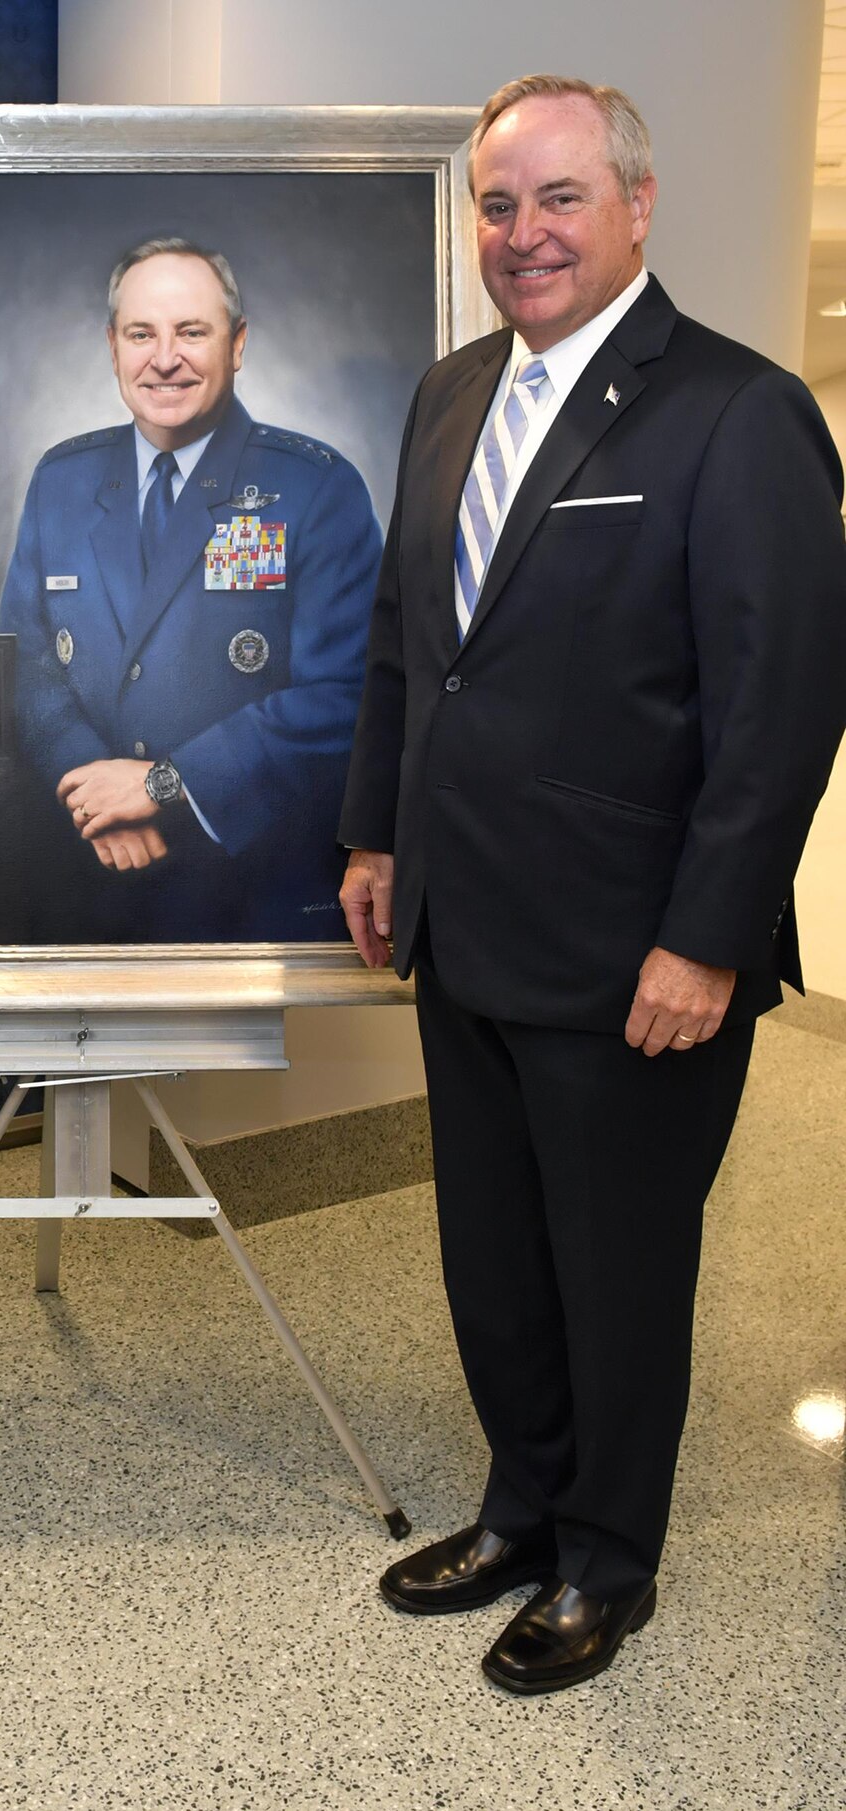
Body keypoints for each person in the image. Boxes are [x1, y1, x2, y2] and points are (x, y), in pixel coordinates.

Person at [339, 75, 846, 1695]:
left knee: (616, 1272)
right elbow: (408, 648)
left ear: (636, 207)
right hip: (463, 923)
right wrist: (373, 836)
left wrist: (707, 939)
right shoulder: (447, 394)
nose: (524, 233)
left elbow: (781, 710)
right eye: (499, 204)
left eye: (560, 198)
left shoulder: (737, 411)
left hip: (635, 954)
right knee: (493, 1261)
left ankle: (609, 1561)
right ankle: (522, 1507)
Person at [0, 237, 382, 942]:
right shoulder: (62, 481)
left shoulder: (317, 487)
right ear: (113, 345)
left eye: (192, 332)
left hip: (249, 889)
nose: (164, 357)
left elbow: (344, 696)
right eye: (142, 333)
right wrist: (96, 792)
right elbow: (27, 669)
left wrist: (158, 787)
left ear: (237, 344)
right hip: (84, 887)